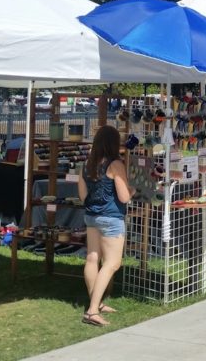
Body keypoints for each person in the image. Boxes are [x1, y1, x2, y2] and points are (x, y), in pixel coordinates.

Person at [78, 125, 135, 326]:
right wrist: (133, 189)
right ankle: (92, 311)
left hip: (91, 216)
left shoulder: (87, 164)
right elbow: (124, 197)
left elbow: (82, 195)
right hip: (111, 218)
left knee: (93, 259)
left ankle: (97, 303)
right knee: (112, 263)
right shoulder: (115, 165)